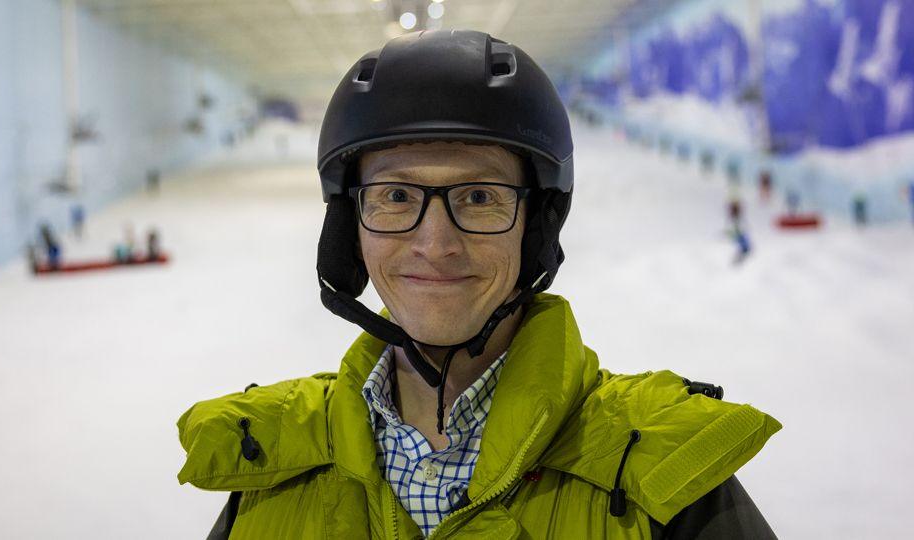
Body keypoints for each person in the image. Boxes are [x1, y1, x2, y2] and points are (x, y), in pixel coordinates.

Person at [177, 30, 781, 539]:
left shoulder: (665, 476)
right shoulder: (265, 468)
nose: (435, 244)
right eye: (395, 196)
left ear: (536, 226)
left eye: (479, 196)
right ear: (347, 228)